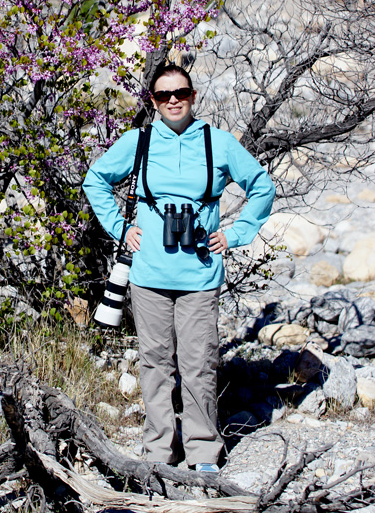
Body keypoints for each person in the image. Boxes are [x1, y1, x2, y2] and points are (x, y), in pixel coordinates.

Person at [83, 62, 275, 473]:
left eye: (181, 93)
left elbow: (262, 186)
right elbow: (95, 180)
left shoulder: (218, 144)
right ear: (152, 101)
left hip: (200, 276)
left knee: (199, 364)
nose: (173, 101)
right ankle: (158, 453)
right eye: (163, 95)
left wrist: (236, 233)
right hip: (149, 275)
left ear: (193, 97)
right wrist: (121, 229)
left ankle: (203, 451)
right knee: (154, 363)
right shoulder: (138, 142)